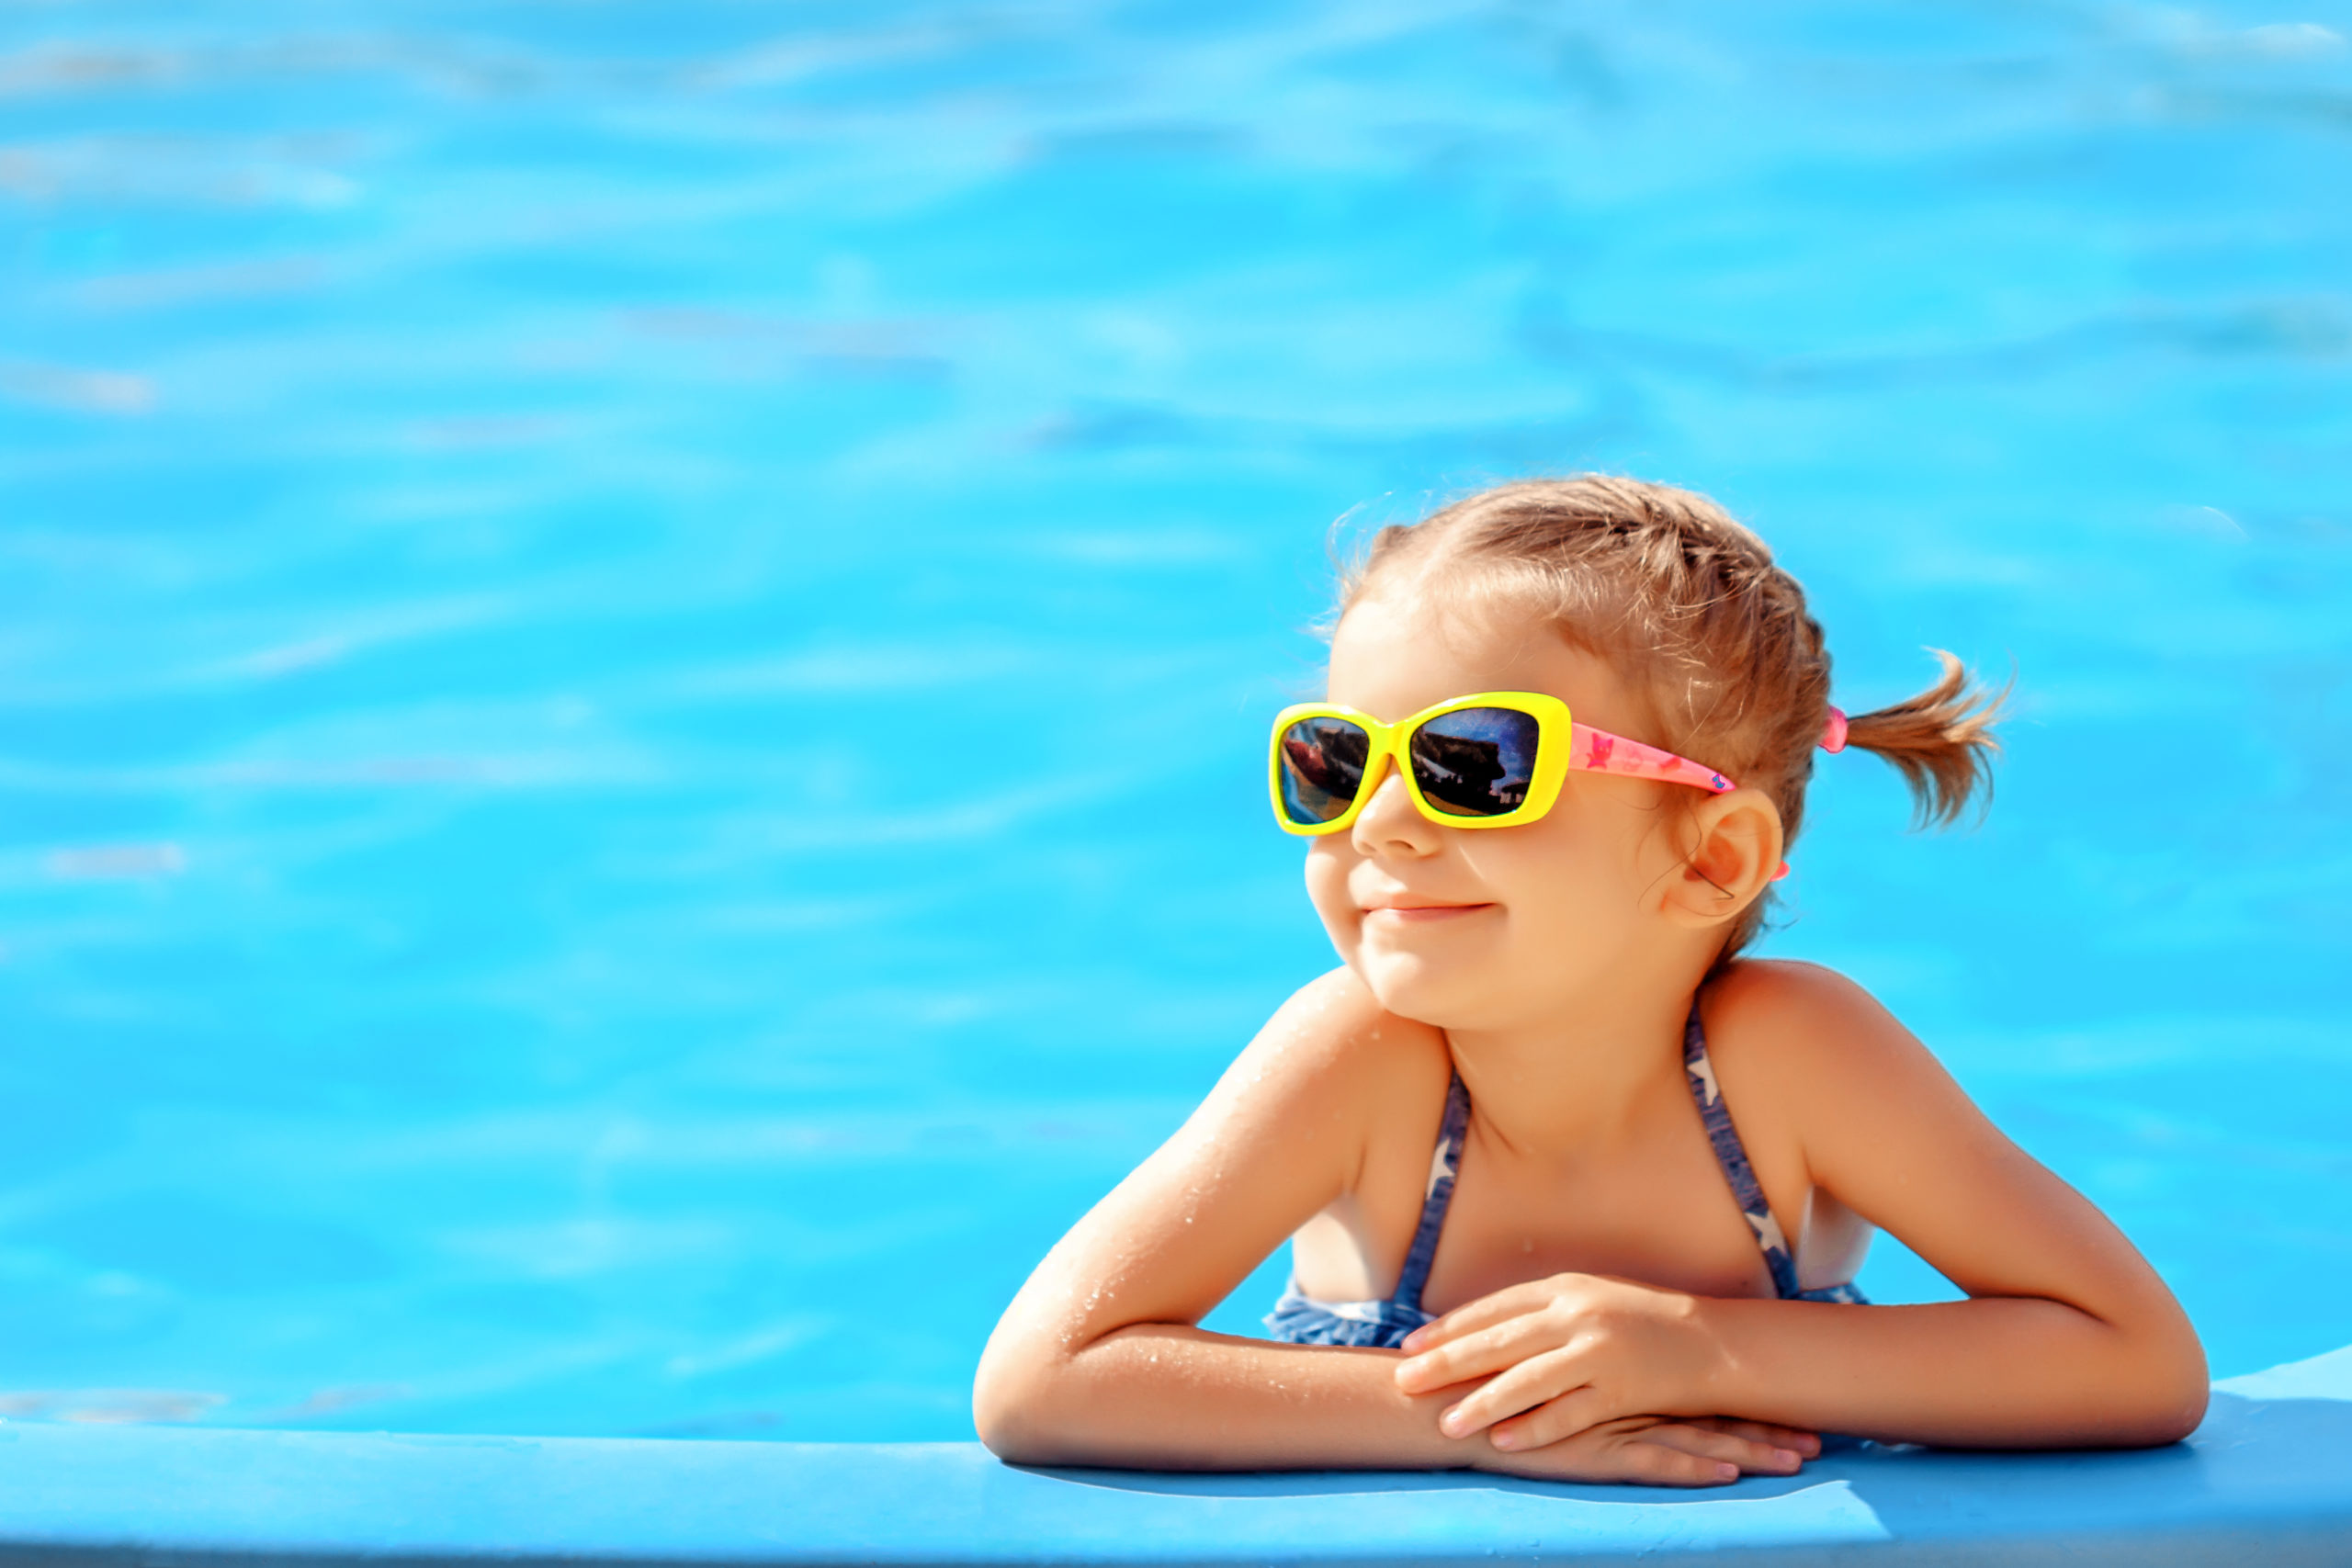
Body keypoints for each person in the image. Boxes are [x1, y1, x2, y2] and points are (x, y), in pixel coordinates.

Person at [973, 476, 2208, 1485]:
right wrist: (1482, 1426)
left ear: (1712, 857)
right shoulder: (1360, 1059)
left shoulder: (1793, 1057)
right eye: (1339, 761)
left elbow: (2135, 1360)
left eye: (1471, 763)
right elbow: (1045, 1381)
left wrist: (1701, 1352)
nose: (1382, 826)